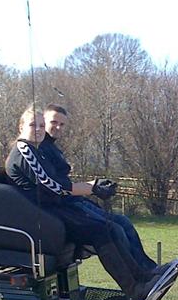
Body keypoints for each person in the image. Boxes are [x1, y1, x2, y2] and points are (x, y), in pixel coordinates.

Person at [5, 106, 162, 300]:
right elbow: (54, 185)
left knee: (109, 227)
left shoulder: (35, 149)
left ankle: (142, 277)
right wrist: (92, 187)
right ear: (21, 127)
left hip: (52, 211)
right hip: (45, 216)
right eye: (33, 125)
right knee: (102, 230)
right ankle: (134, 288)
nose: (39, 129)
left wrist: (91, 187)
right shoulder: (24, 151)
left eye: (41, 125)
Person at [40, 104, 156, 270]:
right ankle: (140, 274)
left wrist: (94, 187)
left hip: (73, 200)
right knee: (113, 229)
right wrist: (93, 187)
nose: (58, 127)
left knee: (123, 221)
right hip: (64, 206)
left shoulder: (52, 148)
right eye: (54, 122)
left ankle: (148, 268)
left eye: (62, 124)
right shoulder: (39, 149)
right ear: (43, 120)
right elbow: (58, 185)